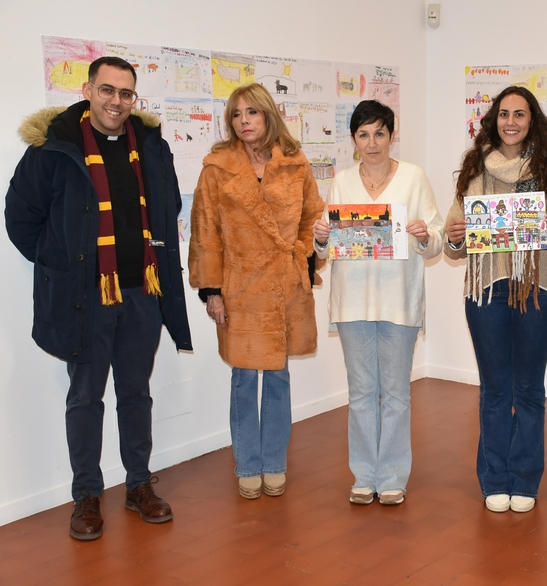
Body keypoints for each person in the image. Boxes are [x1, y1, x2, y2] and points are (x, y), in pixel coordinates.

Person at [5, 57, 192, 540]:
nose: (116, 101)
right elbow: (20, 217)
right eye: (107, 90)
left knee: (136, 394)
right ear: (88, 90)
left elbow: (167, 208)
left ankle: (138, 486)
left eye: (125, 93)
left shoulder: (151, 146)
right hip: (84, 300)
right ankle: (86, 496)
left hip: (140, 294)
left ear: (135, 99)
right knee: (85, 398)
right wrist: (64, 267)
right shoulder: (54, 148)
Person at [444, 86, 547, 514]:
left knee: (528, 389)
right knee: (494, 390)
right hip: (486, 288)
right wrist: (455, 240)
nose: (510, 122)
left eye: (519, 115)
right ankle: (494, 479)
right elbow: (455, 241)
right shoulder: (473, 168)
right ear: (493, 119)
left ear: (532, 120)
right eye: (503, 114)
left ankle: (524, 479)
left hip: (537, 290)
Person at [189, 83, 324, 500]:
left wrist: (304, 257)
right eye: (236, 114)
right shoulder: (217, 167)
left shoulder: (295, 163)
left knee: (279, 377)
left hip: (285, 284)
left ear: (269, 115)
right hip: (240, 286)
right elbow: (205, 233)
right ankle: (247, 463)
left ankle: (275, 463)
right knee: (244, 378)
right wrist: (212, 290)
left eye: (252, 112)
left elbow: (312, 218)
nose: (244, 121)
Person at [312, 100, 443, 506]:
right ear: (354, 140)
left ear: (391, 134)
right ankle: (364, 475)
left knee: (397, 393)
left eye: (380, 133)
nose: (372, 143)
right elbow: (327, 250)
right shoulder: (342, 183)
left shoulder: (414, 178)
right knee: (362, 392)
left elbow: (436, 237)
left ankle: (392, 477)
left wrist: (424, 235)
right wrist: (320, 236)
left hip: (399, 301)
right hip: (352, 303)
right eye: (363, 135)